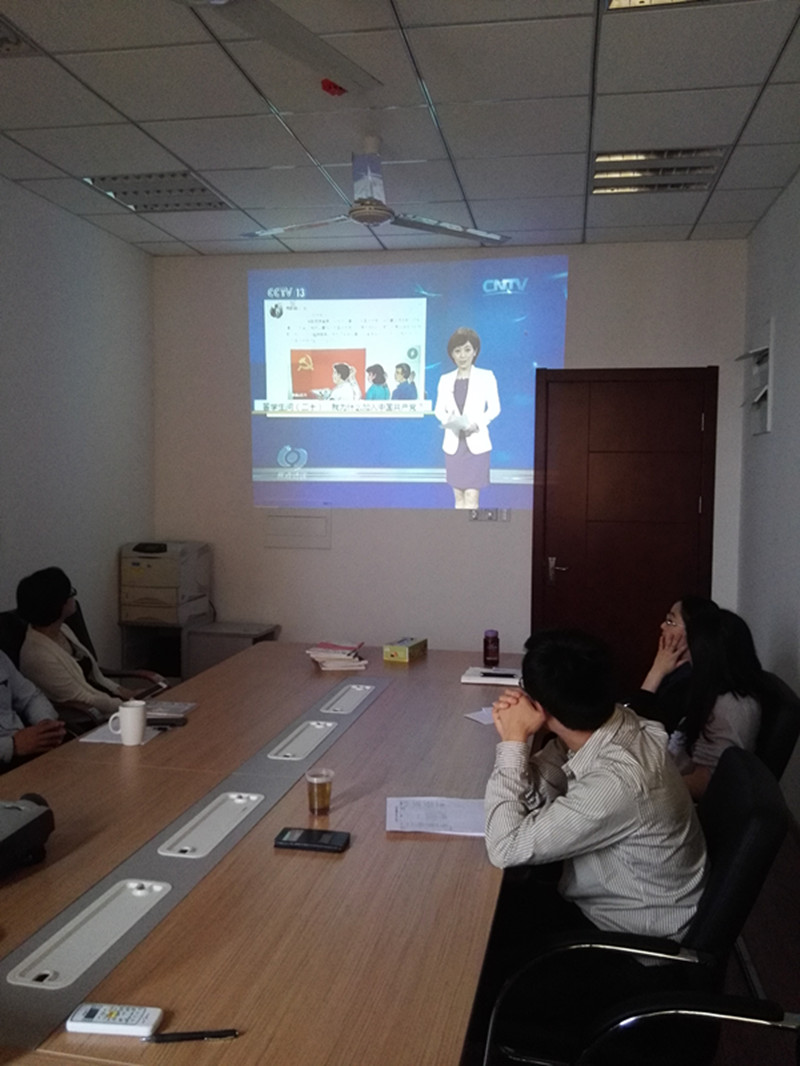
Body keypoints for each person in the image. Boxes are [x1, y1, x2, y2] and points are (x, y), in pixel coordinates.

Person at [485, 628, 707, 939]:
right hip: (612, 899)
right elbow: (540, 788)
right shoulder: (618, 721)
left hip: (628, 935)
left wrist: (513, 741)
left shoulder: (616, 783)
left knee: (483, 923)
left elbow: (505, 847)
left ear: (540, 707)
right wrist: (519, 749)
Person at [630, 598, 764, 799]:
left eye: (695, 640)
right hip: (663, 772)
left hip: (671, 794)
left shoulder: (730, 705)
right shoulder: (703, 686)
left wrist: (647, 791)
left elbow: (708, 781)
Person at [17, 567, 138, 720]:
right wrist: (128, 705)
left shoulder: (63, 629)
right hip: (91, 718)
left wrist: (125, 692)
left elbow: (96, 677)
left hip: (111, 706)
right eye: (71, 592)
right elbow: (83, 698)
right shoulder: (37, 656)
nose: (74, 596)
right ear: (58, 604)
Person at [434, 327, 500, 509]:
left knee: (471, 496)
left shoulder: (486, 376)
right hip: (454, 444)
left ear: (475, 351)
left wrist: (477, 425)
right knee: (458, 497)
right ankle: (459, 528)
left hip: (476, 444)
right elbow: (439, 410)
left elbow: (494, 408)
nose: (462, 355)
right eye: (457, 351)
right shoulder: (445, 379)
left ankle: (469, 528)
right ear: (452, 354)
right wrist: (450, 421)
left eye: (467, 350)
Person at [0, 649, 65, 767]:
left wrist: (46, 724)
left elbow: (31, 697)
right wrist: (13, 745)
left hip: (28, 749)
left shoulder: (1, 658)